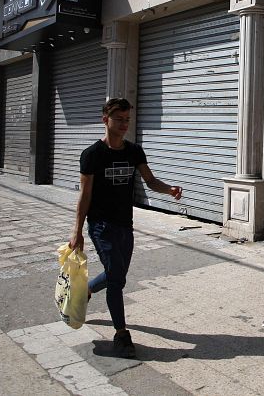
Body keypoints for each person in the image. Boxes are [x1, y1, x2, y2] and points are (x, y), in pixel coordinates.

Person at [69, 97, 182, 358]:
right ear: (105, 119)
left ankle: (86, 290)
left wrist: (169, 190)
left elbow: (150, 180)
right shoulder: (92, 155)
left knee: (116, 274)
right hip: (100, 224)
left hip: (125, 224)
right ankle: (121, 334)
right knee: (117, 280)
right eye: (119, 119)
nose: (124, 124)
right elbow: (84, 196)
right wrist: (76, 231)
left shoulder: (134, 151)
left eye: (127, 119)